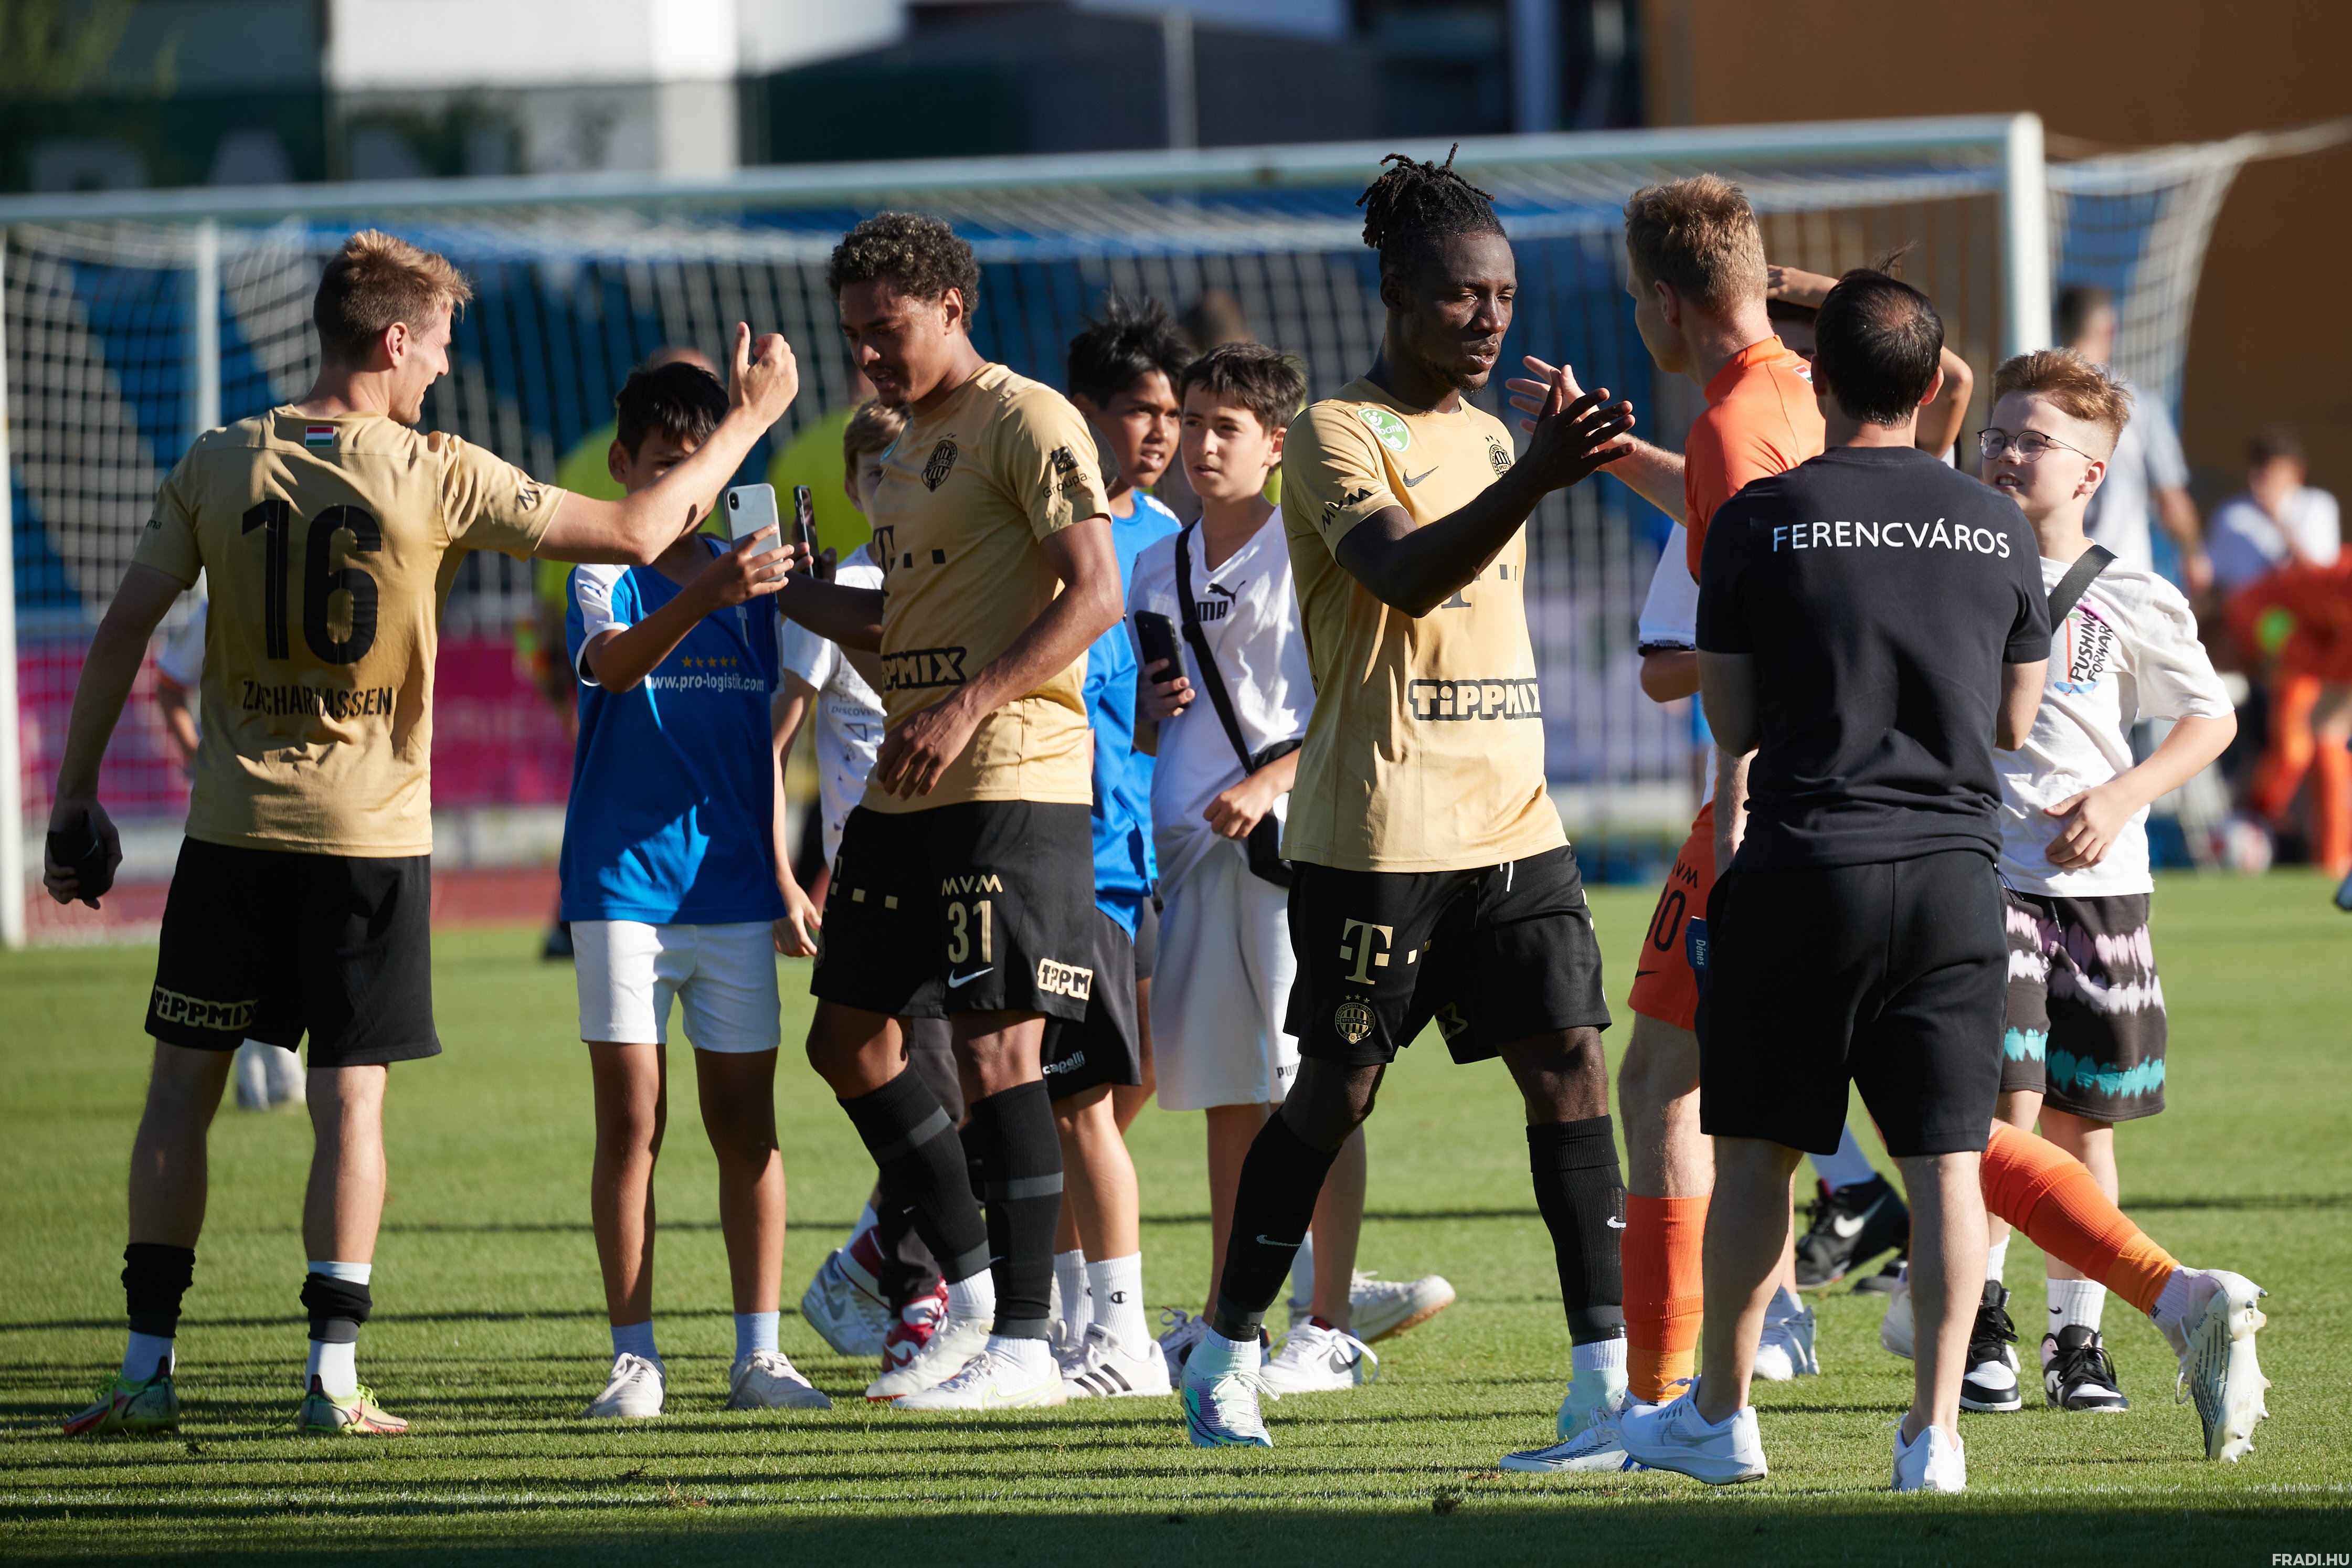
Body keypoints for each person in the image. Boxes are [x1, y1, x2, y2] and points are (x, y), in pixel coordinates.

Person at [54, 229, 799, 1438]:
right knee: (351, 1104)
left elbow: (124, 631)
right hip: (367, 840)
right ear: (396, 340)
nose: (445, 369)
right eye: (441, 345)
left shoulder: (217, 458)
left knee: (180, 1089)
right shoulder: (436, 470)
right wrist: (752, 416)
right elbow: (638, 531)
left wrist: (75, 794)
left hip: (230, 833)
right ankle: (332, 1378)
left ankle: (146, 1368)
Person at [1176, 149, 1636, 1450]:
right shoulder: (1338, 432)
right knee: (1336, 1091)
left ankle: (1603, 1382)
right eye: (1460, 294)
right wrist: (1535, 476)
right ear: (1395, 294)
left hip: (1516, 820)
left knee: (1571, 1066)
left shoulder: (1491, 433)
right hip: (1379, 829)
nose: (1488, 317)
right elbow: (1403, 575)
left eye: (1504, 295)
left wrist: (1532, 464)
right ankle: (1226, 1349)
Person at [1618, 269, 2050, 1494]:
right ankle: (1934, 1439)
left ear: (1820, 381)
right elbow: (2014, 720)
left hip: (1806, 866)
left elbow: (1733, 719)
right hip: (1956, 875)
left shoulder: (1761, 516)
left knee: (1757, 1155)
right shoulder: (1998, 523)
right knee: (1946, 1164)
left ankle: (1722, 1416)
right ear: (1927, 384)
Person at [770, 211, 1125, 1411]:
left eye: (887, 329)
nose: (868, 354)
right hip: (905, 786)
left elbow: (1096, 590)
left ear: (951, 308)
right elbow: (900, 627)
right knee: (846, 1041)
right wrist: (805, 595)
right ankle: (972, 1290)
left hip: (1012, 775)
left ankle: (1025, 1347)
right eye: (855, 336)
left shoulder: (1028, 418)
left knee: (996, 1049)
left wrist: (970, 703)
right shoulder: (907, 448)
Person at [1511, 178, 1834, 1455]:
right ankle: (2166, 1289)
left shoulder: (1730, 424)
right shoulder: (1809, 393)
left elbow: (1759, 645)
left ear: (1662, 301)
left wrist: (1736, 816)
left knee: (1662, 1082)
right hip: (1879, 792)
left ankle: (1659, 1402)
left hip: (1775, 794)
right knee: (1922, 1115)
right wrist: (1609, 449)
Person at [1132, 341, 1456, 1399]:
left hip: (1290, 846)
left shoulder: (1306, 545)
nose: (1200, 443)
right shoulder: (1156, 563)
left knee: (1313, 1084)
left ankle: (1328, 1323)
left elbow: (1351, 694)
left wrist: (1270, 780)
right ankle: (1232, 1316)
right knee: (1229, 1094)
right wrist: (1144, 713)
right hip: (1191, 856)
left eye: (1225, 427)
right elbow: (1154, 719)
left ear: (1278, 445)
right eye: (1191, 421)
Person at [1959, 348, 2253, 1422]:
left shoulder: (2132, 593)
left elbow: (2211, 718)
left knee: (2084, 1125)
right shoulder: (1952, 564)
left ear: (2089, 472)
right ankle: (1980, 1319)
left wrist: (2124, 795)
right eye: (1995, 435)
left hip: (2102, 891)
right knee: (2004, 1105)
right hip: (1983, 874)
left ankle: (2075, 1340)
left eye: (2032, 441)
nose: (2005, 454)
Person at [559, 361, 831, 1420]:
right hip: (622, 884)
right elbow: (614, 666)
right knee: (633, 1119)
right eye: (664, 465)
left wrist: (782, 876)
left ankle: (759, 1355)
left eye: (699, 467)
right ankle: (634, 1359)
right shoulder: (603, 565)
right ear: (623, 465)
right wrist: (706, 595)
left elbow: (766, 741)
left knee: (746, 1121)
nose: (683, 486)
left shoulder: (751, 574)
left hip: (732, 889)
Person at [786, 401, 967, 1380]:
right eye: (874, 472)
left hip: (961, 858)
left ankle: (869, 1263)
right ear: (856, 487)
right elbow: (778, 735)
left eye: (906, 467)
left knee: (970, 1091)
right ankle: (917, 1299)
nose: (889, 484)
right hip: (875, 878)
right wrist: (783, 869)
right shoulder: (843, 587)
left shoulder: (955, 575)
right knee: (933, 1085)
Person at [1037, 293, 1188, 1399]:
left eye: (1173, 413)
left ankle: (1078, 1317)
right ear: (1083, 412)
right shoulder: (1043, 530)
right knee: (1072, 1096)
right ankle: (1084, 1324)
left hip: (1155, 855)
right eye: (1140, 410)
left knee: (1122, 1083)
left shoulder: (1174, 541)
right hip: (1067, 854)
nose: (1162, 432)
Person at [534, 344, 721, 961]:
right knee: (611, 772)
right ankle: (572, 911)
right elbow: (559, 594)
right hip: (602, 634)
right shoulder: (603, 484)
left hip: (728, 879)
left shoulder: (727, 547)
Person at [152, 597, 308, 1115]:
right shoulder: (217, 607)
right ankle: (262, 1066)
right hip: (231, 804)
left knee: (282, 931)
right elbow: (169, 683)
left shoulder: (317, 593)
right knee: (244, 934)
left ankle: (267, 1065)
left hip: (307, 794)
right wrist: (199, 757)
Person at [2213, 427, 2348, 877]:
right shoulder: (2233, 517)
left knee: (2306, 741)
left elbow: (2316, 577)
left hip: (2317, 628)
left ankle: (2284, 829)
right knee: (2305, 734)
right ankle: (2268, 822)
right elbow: (2230, 592)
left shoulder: (2316, 506)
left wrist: (2279, 519)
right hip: (2276, 627)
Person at [2058, 284, 2210, 593]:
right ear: (2109, 331)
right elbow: (2171, 502)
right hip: (2119, 579)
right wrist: (2194, 554)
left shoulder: (2026, 398)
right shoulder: (2136, 404)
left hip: (2049, 571)